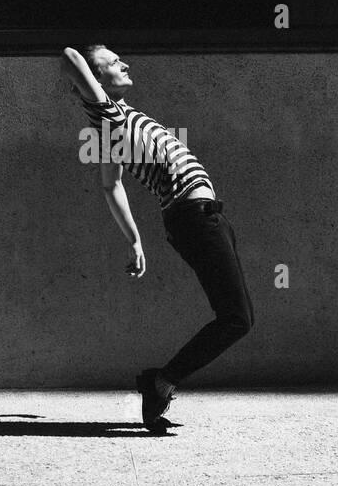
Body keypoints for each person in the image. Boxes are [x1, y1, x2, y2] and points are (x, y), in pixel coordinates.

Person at [60, 45, 255, 434]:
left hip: (204, 217)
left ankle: (162, 381)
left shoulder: (115, 123)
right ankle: (162, 381)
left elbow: (111, 184)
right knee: (237, 319)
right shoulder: (106, 112)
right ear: (97, 80)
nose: (125, 64)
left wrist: (134, 240)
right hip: (194, 218)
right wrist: (88, 86)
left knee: (237, 316)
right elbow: (69, 55)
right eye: (114, 63)